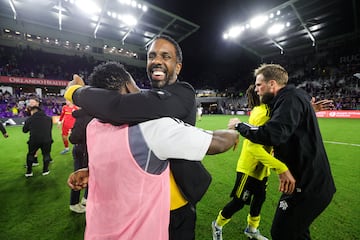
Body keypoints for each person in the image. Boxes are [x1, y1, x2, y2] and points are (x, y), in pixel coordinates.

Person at [67, 61, 240, 239]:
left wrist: (92, 172)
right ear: (128, 85)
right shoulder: (153, 128)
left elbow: (121, 161)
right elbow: (218, 142)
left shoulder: (93, 126)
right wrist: (234, 132)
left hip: (98, 232)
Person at [229, 63, 336, 240]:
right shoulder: (292, 97)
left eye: (258, 84)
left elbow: (271, 134)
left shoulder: (289, 99)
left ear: (272, 84)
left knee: (281, 233)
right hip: (306, 183)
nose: (256, 90)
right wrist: (309, 109)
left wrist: (239, 125)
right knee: (298, 234)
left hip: (308, 186)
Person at [212, 85, 295, 240]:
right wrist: (280, 167)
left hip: (263, 168)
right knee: (239, 202)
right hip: (249, 168)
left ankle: (251, 229)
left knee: (259, 200)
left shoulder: (271, 110)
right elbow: (253, 147)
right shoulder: (262, 112)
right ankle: (217, 225)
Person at [23, 105, 53, 177]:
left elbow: (24, 130)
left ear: (32, 111)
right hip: (46, 140)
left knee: (30, 154)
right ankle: (45, 170)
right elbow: (50, 128)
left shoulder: (29, 119)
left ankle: (29, 172)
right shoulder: (49, 119)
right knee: (46, 154)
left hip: (34, 140)